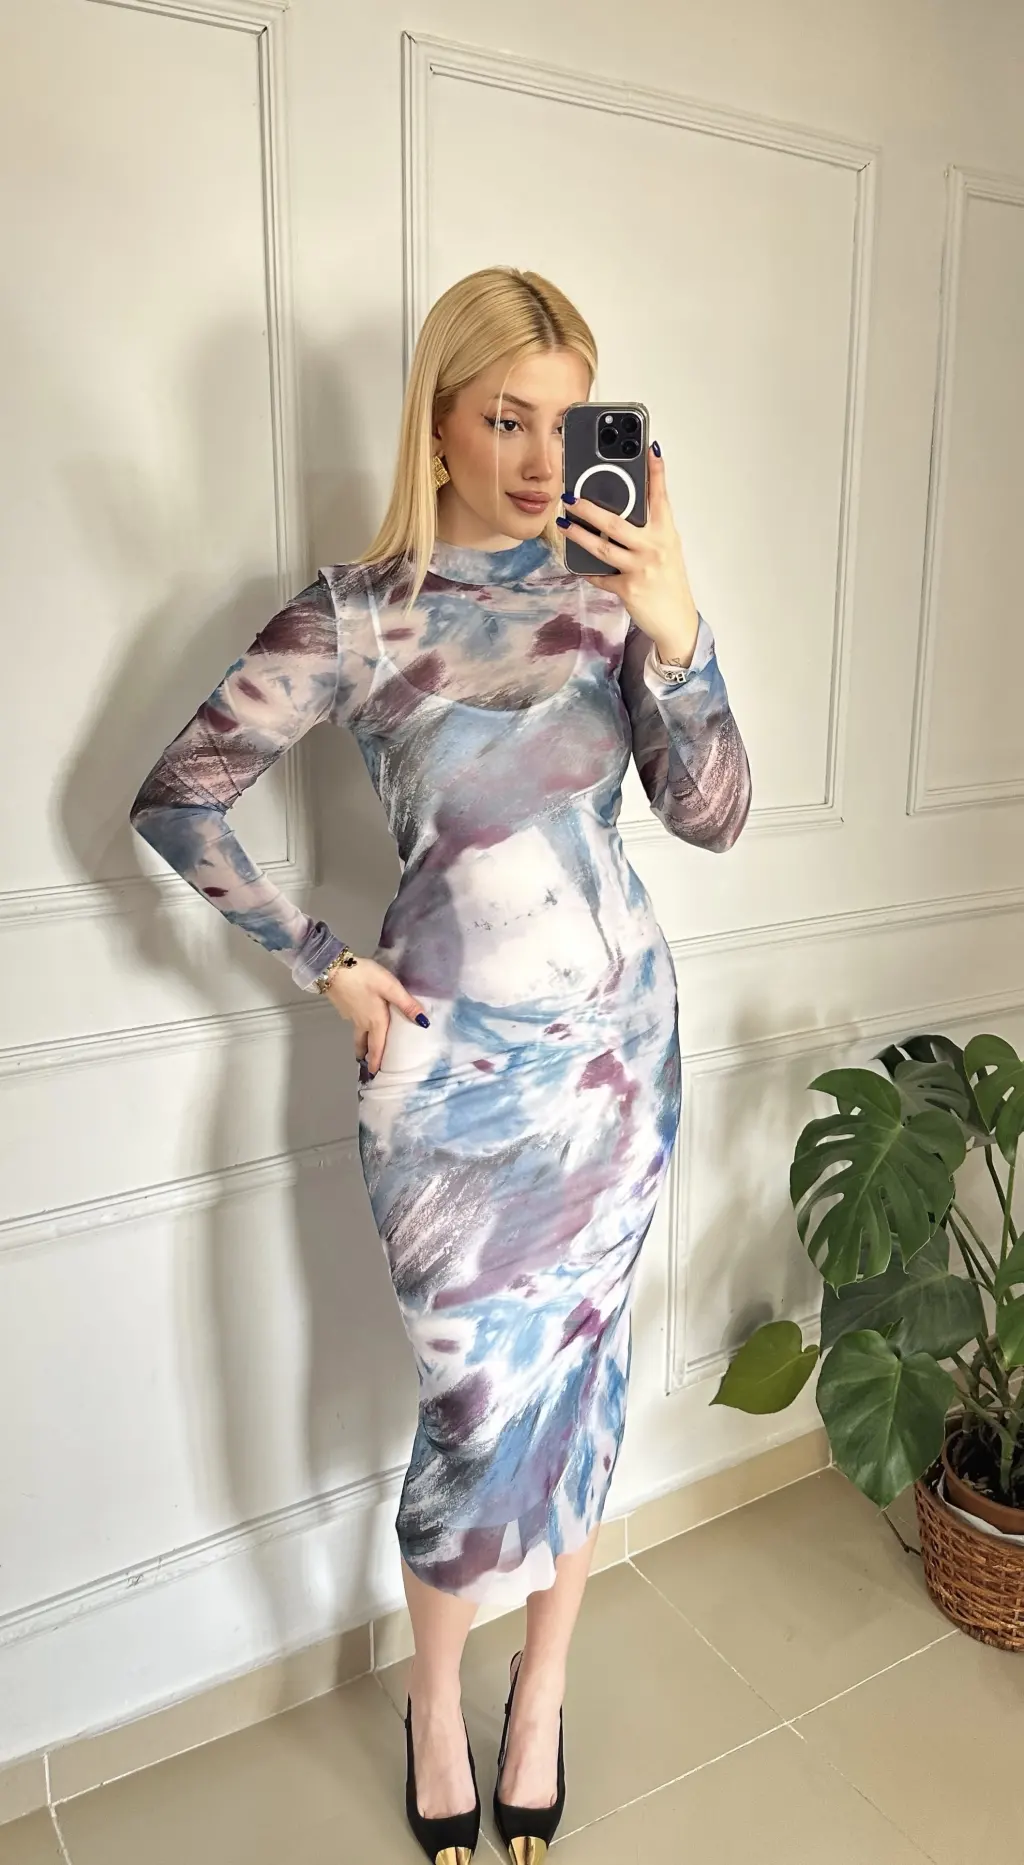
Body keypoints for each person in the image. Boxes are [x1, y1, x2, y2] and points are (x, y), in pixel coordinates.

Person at [129, 265, 751, 1865]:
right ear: (440, 422)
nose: (544, 460)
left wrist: (679, 627)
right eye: (507, 418)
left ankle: (541, 1697)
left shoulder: (615, 597)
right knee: (473, 1411)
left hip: (621, 1068)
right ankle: (433, 1705)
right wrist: (322, 960)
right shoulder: (358, 612)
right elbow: (178, 795)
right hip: (451, 1090)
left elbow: (713, 816)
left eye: (570, 421)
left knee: (587, 1384)